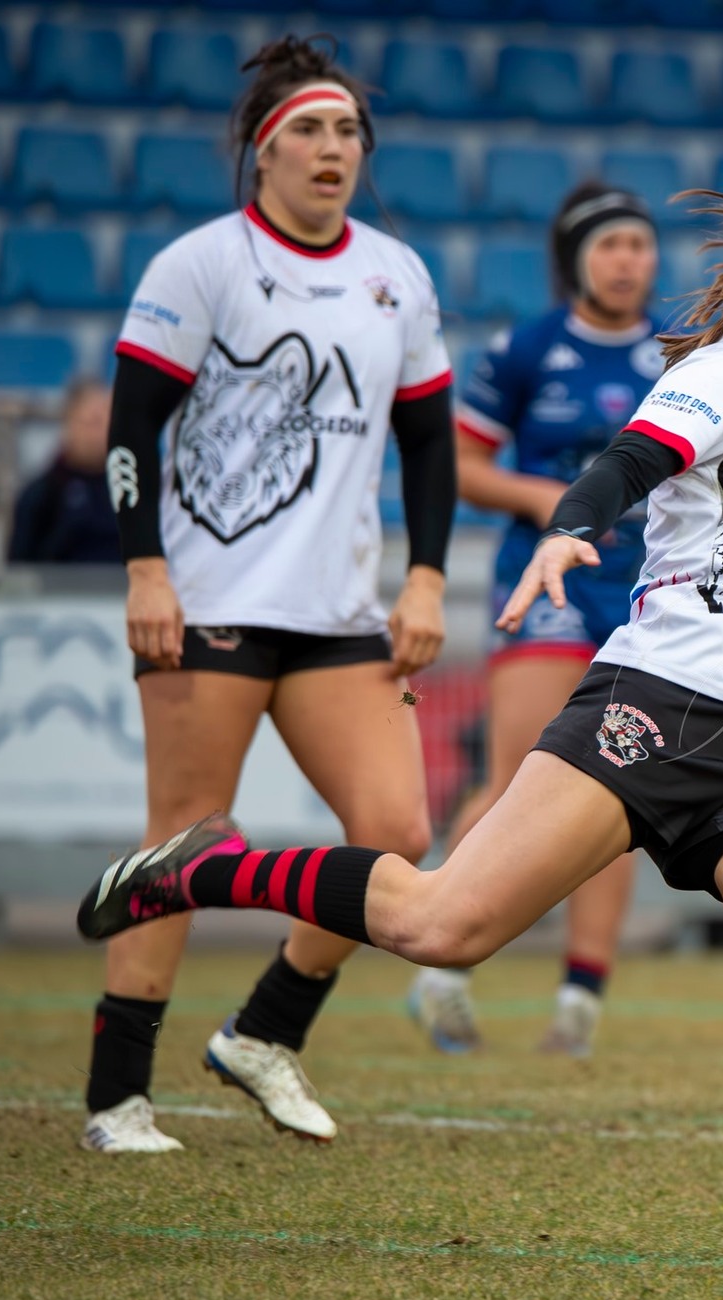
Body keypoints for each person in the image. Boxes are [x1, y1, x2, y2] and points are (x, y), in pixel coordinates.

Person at [76, 189, 723, 1289]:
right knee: (443, 925)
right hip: (654, 713)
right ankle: (210, 865)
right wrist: (570, 531)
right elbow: (628, 462)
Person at [81, 35, 455, 1153]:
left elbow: (428, 446)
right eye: (309, 129)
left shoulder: (397, 272)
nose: (333, 148)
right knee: (183, 847)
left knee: (394, 834)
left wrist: (427, 576)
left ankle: (260, 1031)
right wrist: (144, 567)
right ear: (261, 152)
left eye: (348, 131)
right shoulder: (200, 265)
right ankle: (116, 1100)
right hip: (206, 607)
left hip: (340, 618)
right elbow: (129, 430)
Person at [406, 183, 665, 1059]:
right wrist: (547, 498)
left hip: (641, 592)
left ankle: (579, 1001)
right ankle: (440, 964)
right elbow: (463, 463)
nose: (629, 260)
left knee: (623, 781)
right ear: (576, 260)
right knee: (523, 772)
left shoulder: (682, 357)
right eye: (611, 245)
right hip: (547, 582)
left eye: (640, 244)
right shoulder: (526, 349)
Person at [7, 379, 122, 564]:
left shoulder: (130, 490)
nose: (98, 433)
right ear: (69, 423)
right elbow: (18, 571)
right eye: (92, 422)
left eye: (106, 422)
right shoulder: (42, 495)